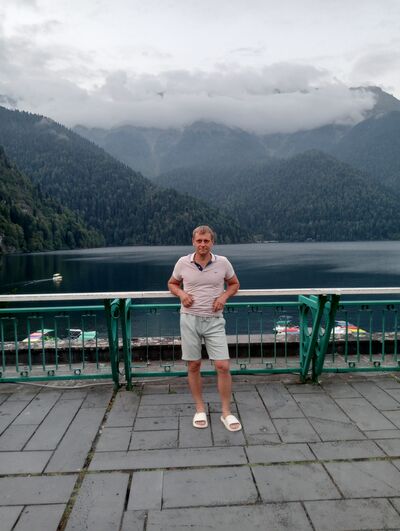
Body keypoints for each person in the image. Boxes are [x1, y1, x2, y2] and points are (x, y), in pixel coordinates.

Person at [168, 225, 241, 431]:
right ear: (193, 242)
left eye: (206, 241)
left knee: (222, 366)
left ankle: (226, 413)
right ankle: (200, 409)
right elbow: (172, 283)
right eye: (199, 241)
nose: (202, 244)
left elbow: (234, 284)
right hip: (189, 319)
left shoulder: (223, 262)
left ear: (212, 242)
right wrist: (182, 294)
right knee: (193, 365)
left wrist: (223, 297)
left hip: (214, 320)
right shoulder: (183, 262)